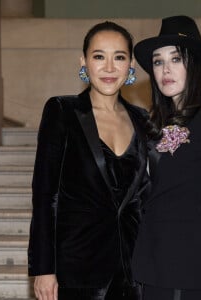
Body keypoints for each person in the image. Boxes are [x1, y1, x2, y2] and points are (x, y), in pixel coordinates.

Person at [28, 21, 149, 300]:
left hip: (134, 272)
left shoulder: (143, 120)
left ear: (130, 64)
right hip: (77, 272)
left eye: (119, 57)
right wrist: (44, 269)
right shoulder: (62, 111)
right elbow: (45, 195)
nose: (109, 67)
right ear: (84, 61)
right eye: (99, 56)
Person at [131, 15, 201, 300]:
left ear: (193, 64)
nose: (165, 70)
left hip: (187, 268)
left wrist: (192, 227)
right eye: (158, 62)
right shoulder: (153, 123)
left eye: (175, 59)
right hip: (148, 266)